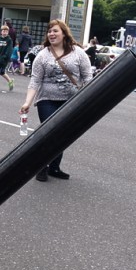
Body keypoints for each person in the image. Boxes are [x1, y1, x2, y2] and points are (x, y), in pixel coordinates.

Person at [19, 19, 92, 182]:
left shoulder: (78, 53)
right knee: (51, 133)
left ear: (64, 33)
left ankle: (54, 167)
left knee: (63, 135)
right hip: (47, 100)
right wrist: (27, 103)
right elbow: (35, 81)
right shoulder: (43, 55)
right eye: (49, 31)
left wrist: (88, 100)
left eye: (55, 31)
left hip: (72, 100)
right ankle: (41, 166)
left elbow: (88, 77)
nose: (51, 34)